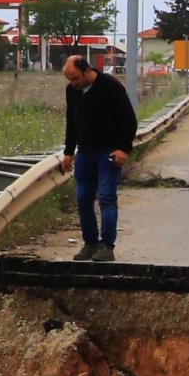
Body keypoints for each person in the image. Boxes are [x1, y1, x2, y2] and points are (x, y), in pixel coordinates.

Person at [61, 53, 136, 262]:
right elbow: (72, 121)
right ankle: (90, 244)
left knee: (106, 197)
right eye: (69, 80)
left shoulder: (110, 87)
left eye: (75, 78)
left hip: (108, 152)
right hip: (85, 152)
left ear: (87, 71)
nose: (73, 83)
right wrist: (68, 152)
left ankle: (107, 246)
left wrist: (123, 149)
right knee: (83, 198)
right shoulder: (72, 91)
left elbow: (129, 120)